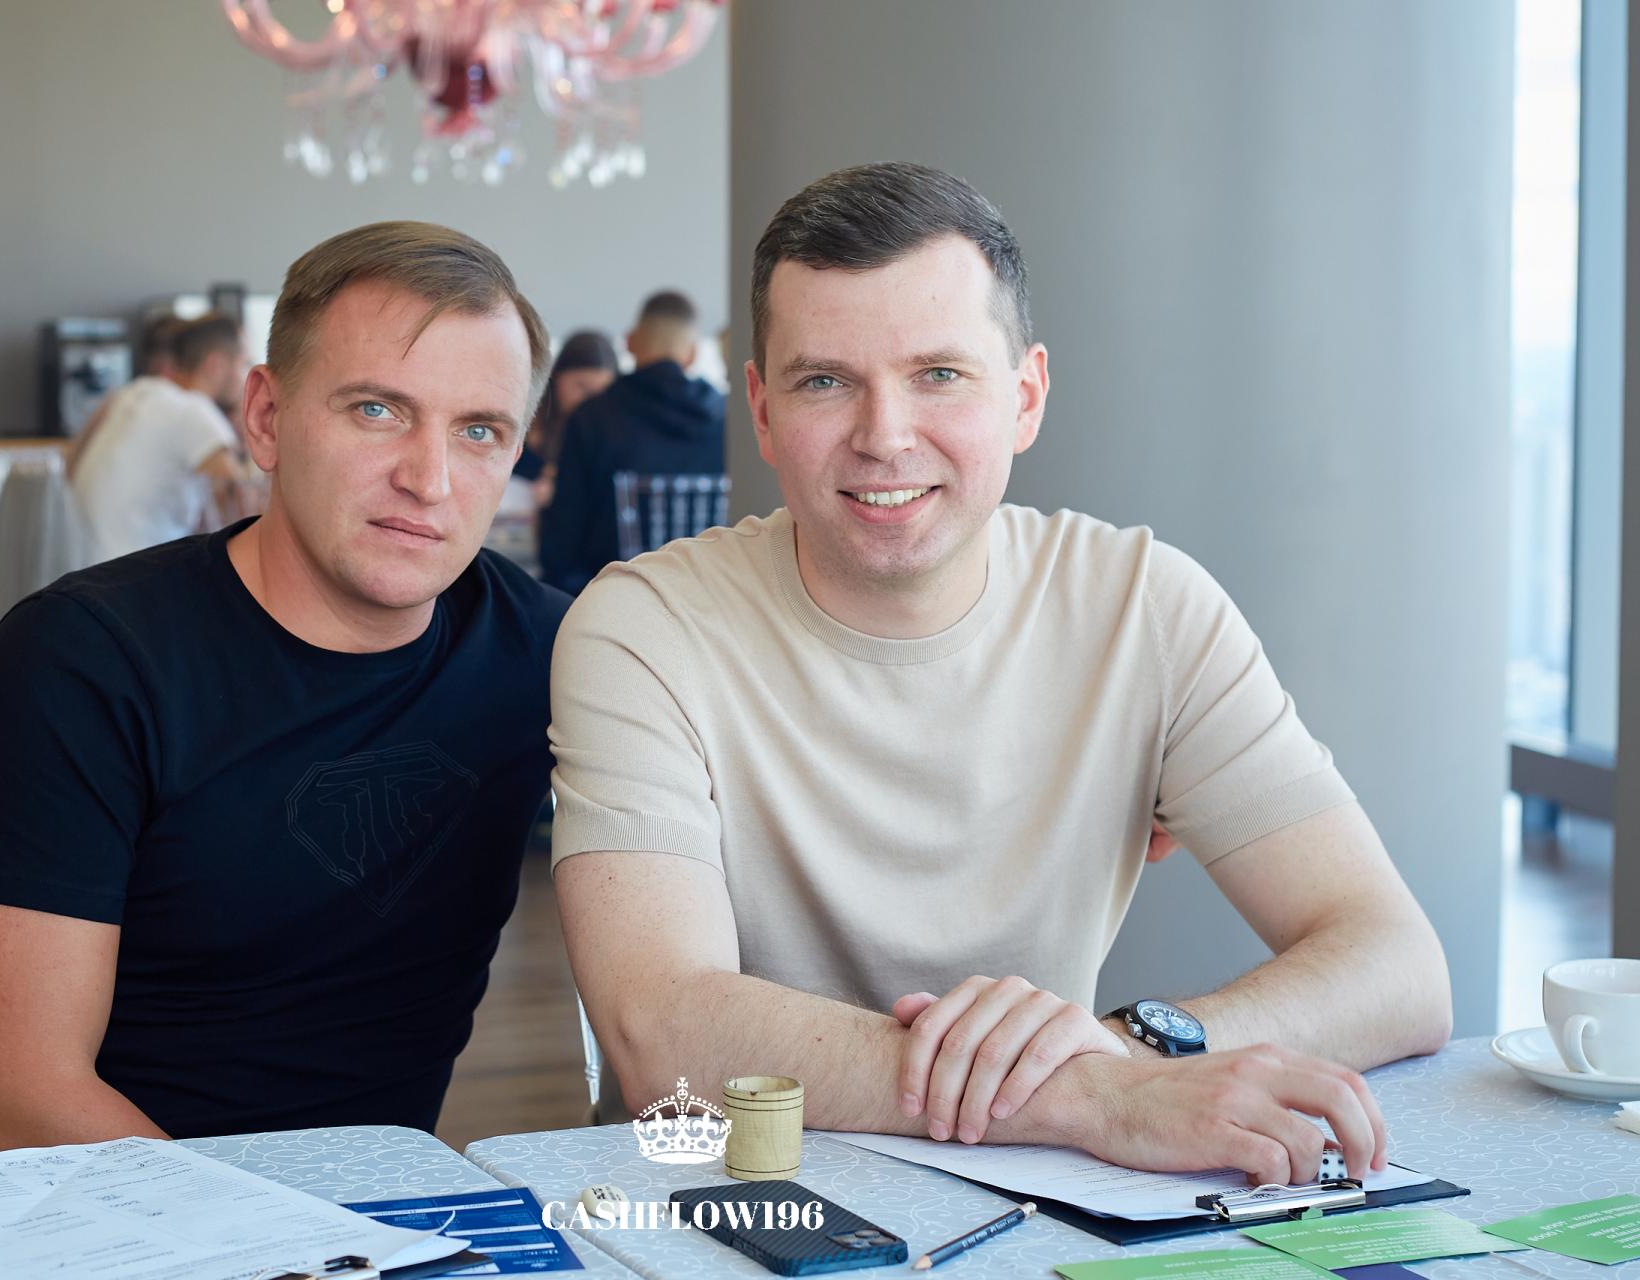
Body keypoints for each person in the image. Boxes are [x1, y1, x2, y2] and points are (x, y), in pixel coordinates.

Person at [549, 163, 1452, 1188]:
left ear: (1025, 398)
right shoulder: (644, 626)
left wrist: (1127, 1051)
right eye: (825, 381)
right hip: (733, 1200)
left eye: (939, 374)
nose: (885, 435)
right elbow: (660, 1032)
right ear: (760, 410)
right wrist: (1083, 1095)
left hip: (1049, 1204)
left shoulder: (1145, 607)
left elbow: (1398, 964)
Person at [0, 221, 567, 1157]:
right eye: (376, 410)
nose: (429, 480)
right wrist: (301, 1235)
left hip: (367, 1212)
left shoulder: (555, 653)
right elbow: (20, 1110)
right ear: (265, 419)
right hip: (50, 1214)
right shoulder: (82, 663)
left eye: (479, 431)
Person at [537, 291, 726, 594]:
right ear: (692, 354)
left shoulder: (592, 419)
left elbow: (563, 543)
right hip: (710, 600)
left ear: (629, 342)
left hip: (609, 603)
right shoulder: (728, 421)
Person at [69, 312, 256, 564]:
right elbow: (246, 505)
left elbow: (70, 466)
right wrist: (253, 427)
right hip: (136, 574)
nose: (248, 377)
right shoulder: (194, 410)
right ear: (216, 365)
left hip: (87, 566)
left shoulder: (133, 392)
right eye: (245, 363)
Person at [515, 330, 621, 503]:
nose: (590, 401)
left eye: (602, 393)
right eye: (581, 386)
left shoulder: (613, 436)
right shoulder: (525, 416)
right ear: (557, 376)